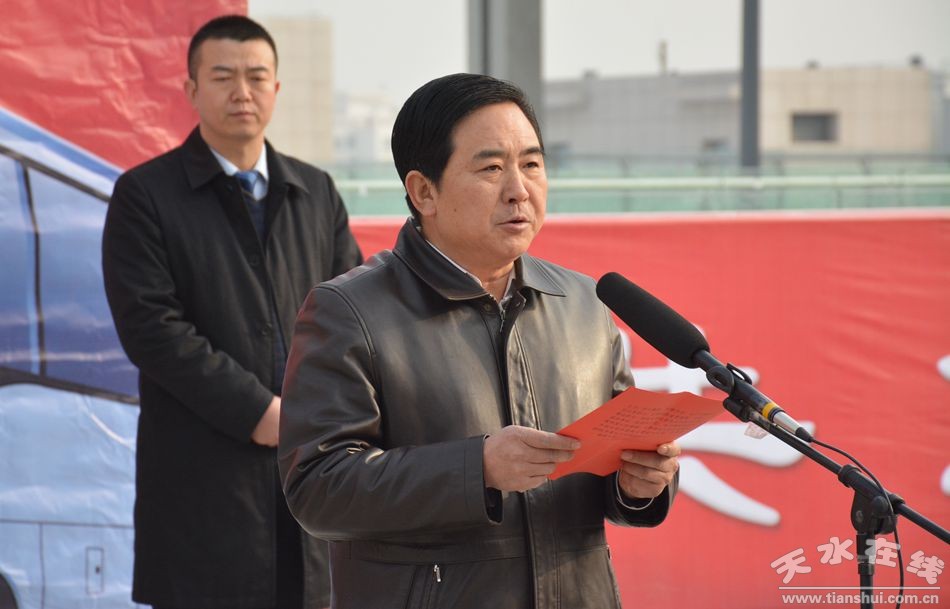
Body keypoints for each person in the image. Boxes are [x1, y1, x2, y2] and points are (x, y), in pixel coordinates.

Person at [278, 73, 680, 609]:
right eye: (491, 168)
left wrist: (640, 484)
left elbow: (608, 467)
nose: (519, 189)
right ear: (424, 192)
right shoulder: (349, 310)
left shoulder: (584, 303)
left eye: (531, 164)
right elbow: (319, 489)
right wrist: (478, 468)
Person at [101, 15, 362, 609]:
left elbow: (352, 314)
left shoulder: (315, 192)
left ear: (277, 88)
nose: (242, 92)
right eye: (223, 77)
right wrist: (258, 411)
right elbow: (152, 329)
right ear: (191, 89)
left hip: (309, 469)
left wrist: (320, 415)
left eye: (256, 77)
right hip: (202, 478)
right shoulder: (145, 195)